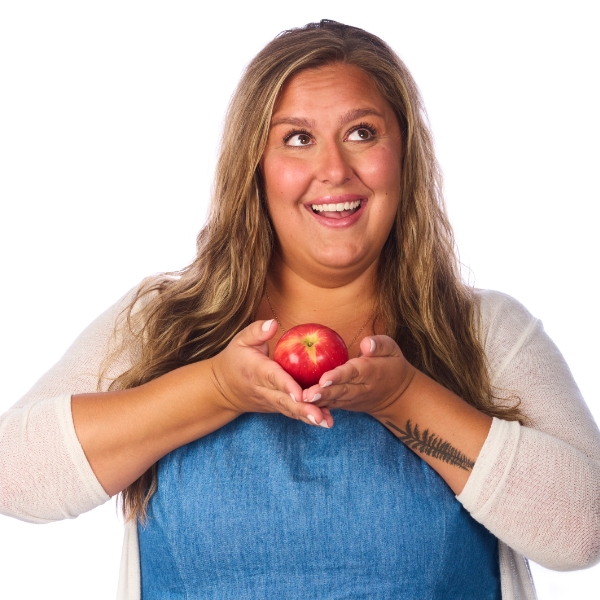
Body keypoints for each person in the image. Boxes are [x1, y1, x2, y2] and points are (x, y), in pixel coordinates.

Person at [1, 19, 599, 600]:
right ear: (255, 168)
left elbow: (584, 530)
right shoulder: (166, 323)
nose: (334, 170)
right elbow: (16, 476)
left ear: (404, 156)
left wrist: (404, 398)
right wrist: (216, 388)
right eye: (297, 138)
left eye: (362, 133)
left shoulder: (484, 333)